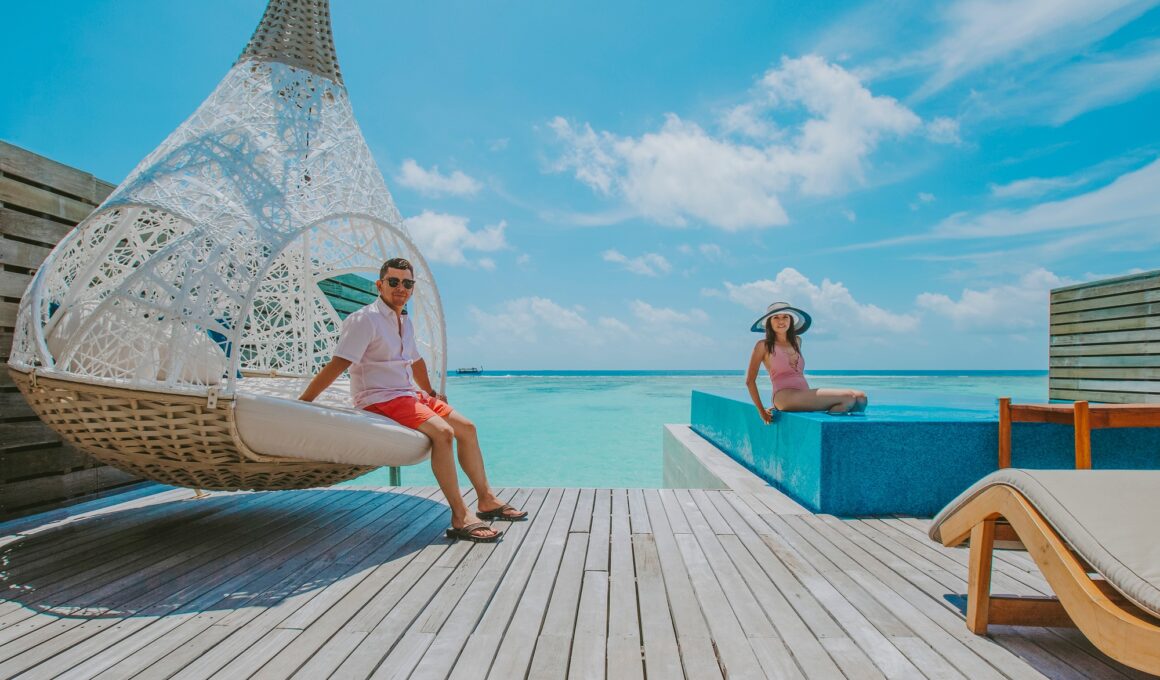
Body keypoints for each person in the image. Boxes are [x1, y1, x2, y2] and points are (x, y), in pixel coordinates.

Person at [299, 257, 526, 542]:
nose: (400, 288)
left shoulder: (404, 319)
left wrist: (430, 392)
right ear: (380, 285)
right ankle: (460, 516)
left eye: (407, 283)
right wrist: (304, 402)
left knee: (467, 428)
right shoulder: (363, 319)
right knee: (443, 433)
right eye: (393, 282)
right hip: (379, 397)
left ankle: (487, 500)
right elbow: (339, 363)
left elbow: (415, 361)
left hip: (408, 395)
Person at [745, 302, 867, 423]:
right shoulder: (763, 345)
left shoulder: (797, 341)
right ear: (769, 323)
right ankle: (830, 433)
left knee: (861, 399)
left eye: (785, 317)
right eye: (776, 317)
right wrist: (761, 411)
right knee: (848, 398)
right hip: (784, 395)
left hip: (803, 393)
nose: (781, 321)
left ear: (790, 320)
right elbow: (750, 381)